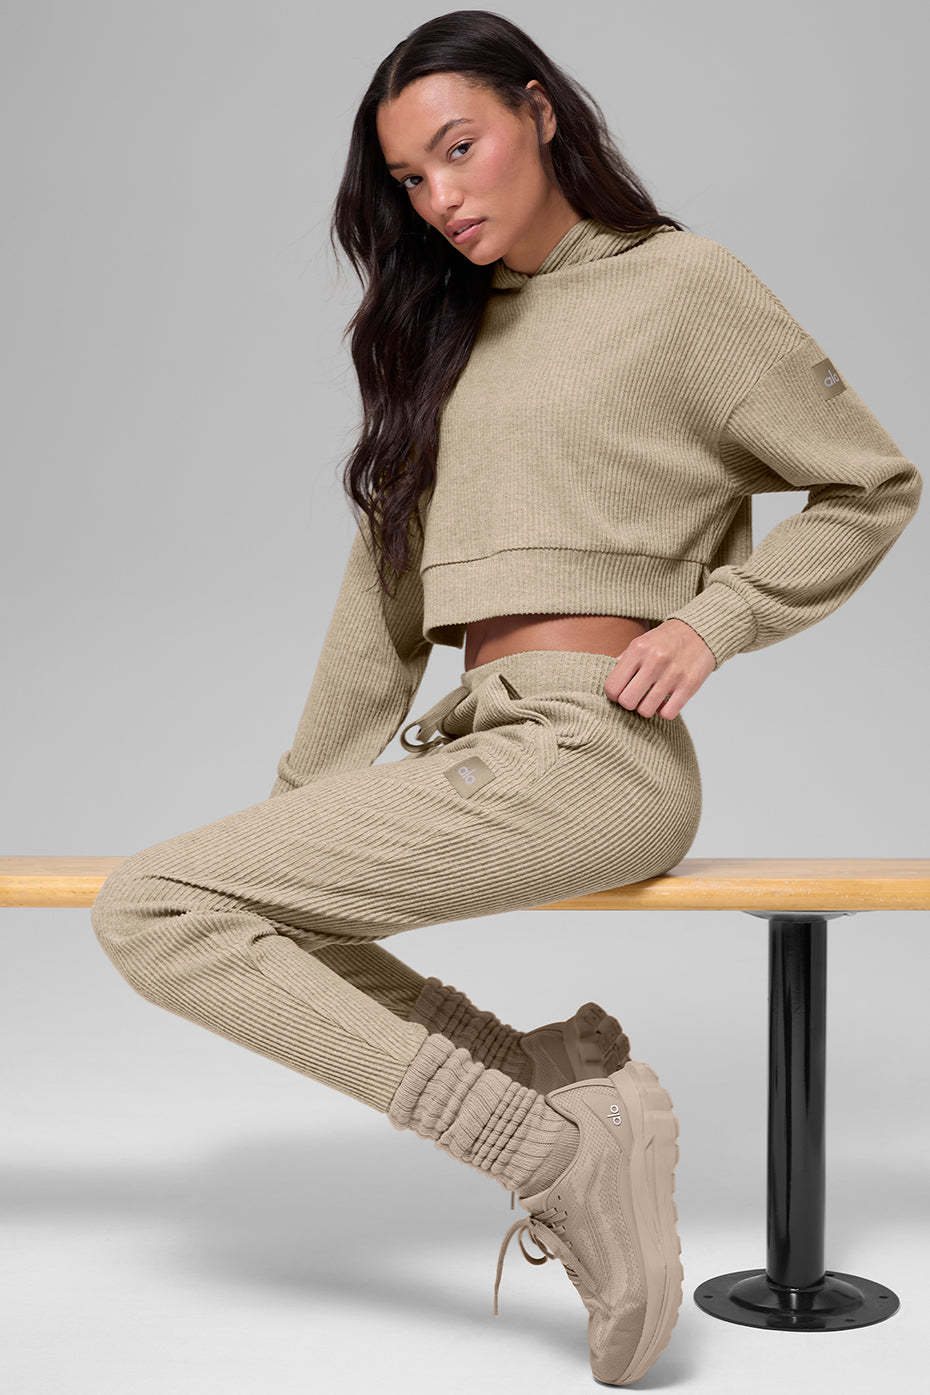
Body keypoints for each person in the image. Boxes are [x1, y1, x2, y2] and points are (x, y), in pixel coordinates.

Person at [90, 11, 922, 1387]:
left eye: (459, 149)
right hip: (482, 743)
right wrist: (293, 817)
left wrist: (713, 623)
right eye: (410, 179)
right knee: (224, 909)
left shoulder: (681, 283)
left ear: (539, 112)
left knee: (151, 908)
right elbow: (382, 607)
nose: (441, 197)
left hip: (599, 747)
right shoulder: (444, 333)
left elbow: (868, 483)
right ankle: (545, 1081)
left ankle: (548, 1152)